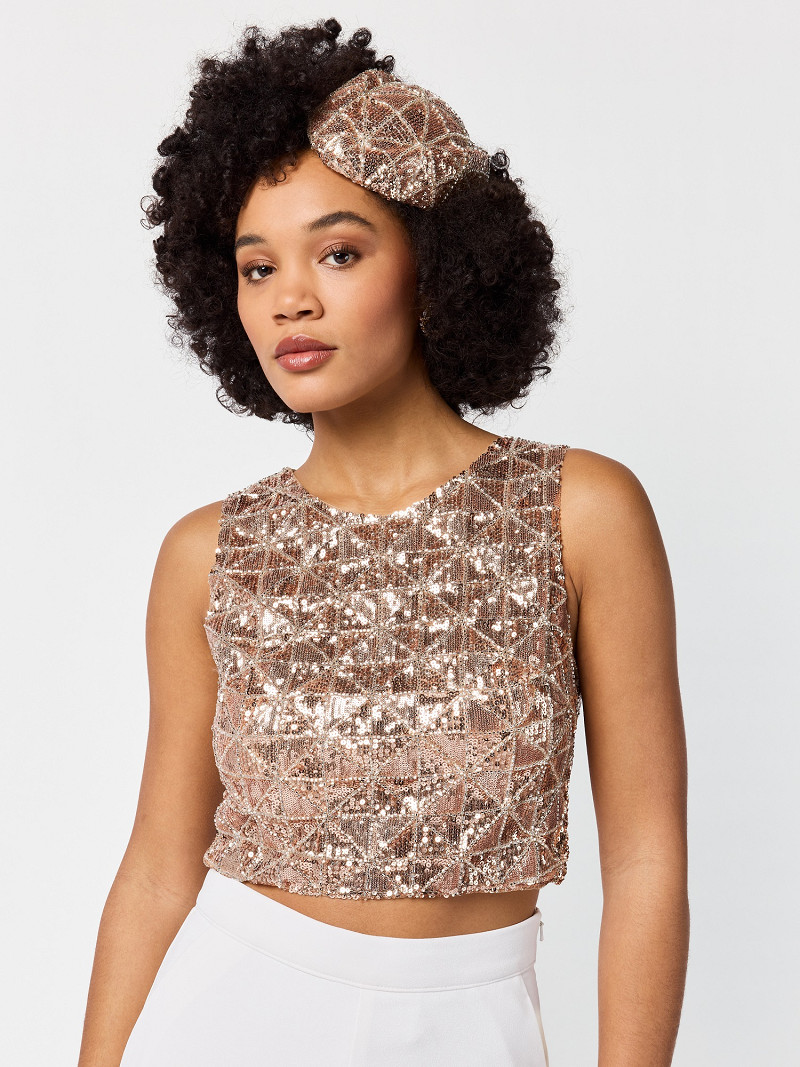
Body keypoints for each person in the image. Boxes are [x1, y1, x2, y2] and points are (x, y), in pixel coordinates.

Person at [77, 17, 689, 1067]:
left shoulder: (580, 511)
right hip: (230, 1009)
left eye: (339, 251)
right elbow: (158, 866)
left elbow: (645, 862)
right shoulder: (207, 554)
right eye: (256, 267)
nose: (291, 299)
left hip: (473, 1022)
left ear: (436, 264)